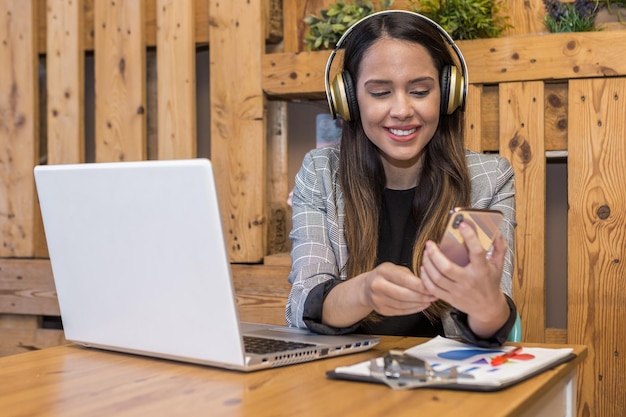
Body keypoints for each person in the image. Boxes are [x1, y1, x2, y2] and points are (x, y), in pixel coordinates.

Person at [285, 11, 517, 347]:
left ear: (449, 94)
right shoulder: (320, 172)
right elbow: (304, 302)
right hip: (343, 383)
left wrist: (487, 304)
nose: (402, 110)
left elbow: (493, 327)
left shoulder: (489, 179)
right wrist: (365, 292)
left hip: (450, 384)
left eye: (420, 91)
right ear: (349, 100)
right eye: (380, 93)